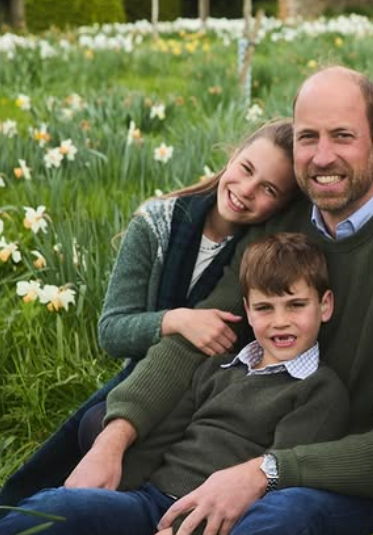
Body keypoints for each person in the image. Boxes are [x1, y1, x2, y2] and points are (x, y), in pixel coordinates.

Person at [50, 66, 373, 535]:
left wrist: (261, 473)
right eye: (308, 137)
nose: (323, 156)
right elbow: (203, 336)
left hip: (335, 480)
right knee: (75, 488)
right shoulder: (282, 224)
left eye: (342, 136)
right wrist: (114, 439)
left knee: (280, 516)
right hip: (220, 461)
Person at [0, 119, 297, 511]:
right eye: (246, 169)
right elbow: (111, 331)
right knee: (92, 431)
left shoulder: (259, 250)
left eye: (268, 189)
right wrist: (175, 320)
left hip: (209, 392)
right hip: (145, 379)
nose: (246, 190)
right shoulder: (156, 223)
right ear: (232, 156)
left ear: (281, 206)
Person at [0, 232, 350, 535]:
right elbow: (164, 438)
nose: (280, 322)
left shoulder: (319, 390)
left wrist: (181, 529)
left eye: (296, 305)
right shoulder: (219, 367)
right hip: (151, 502)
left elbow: (275, 482)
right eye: (265, 308)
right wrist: (112, 493)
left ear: (325, 305)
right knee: (59, 506)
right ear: (246, 309)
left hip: (217, 518)